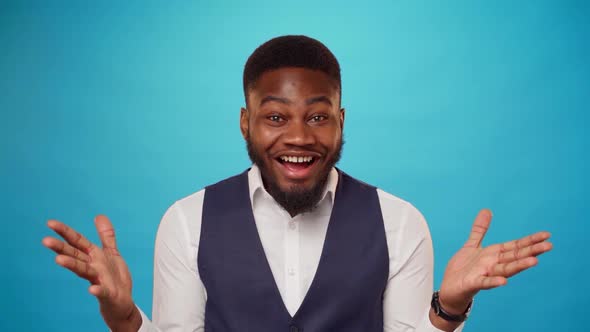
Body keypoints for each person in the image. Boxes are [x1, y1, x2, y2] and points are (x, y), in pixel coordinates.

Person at [42, 35, 552, 332]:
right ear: (246, 122)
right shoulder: (187, 220)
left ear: (341, 120)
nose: (299, 138)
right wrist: (126, 317)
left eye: (318, 116)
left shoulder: (399, 222)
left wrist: (450, 308)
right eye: (276, 117)